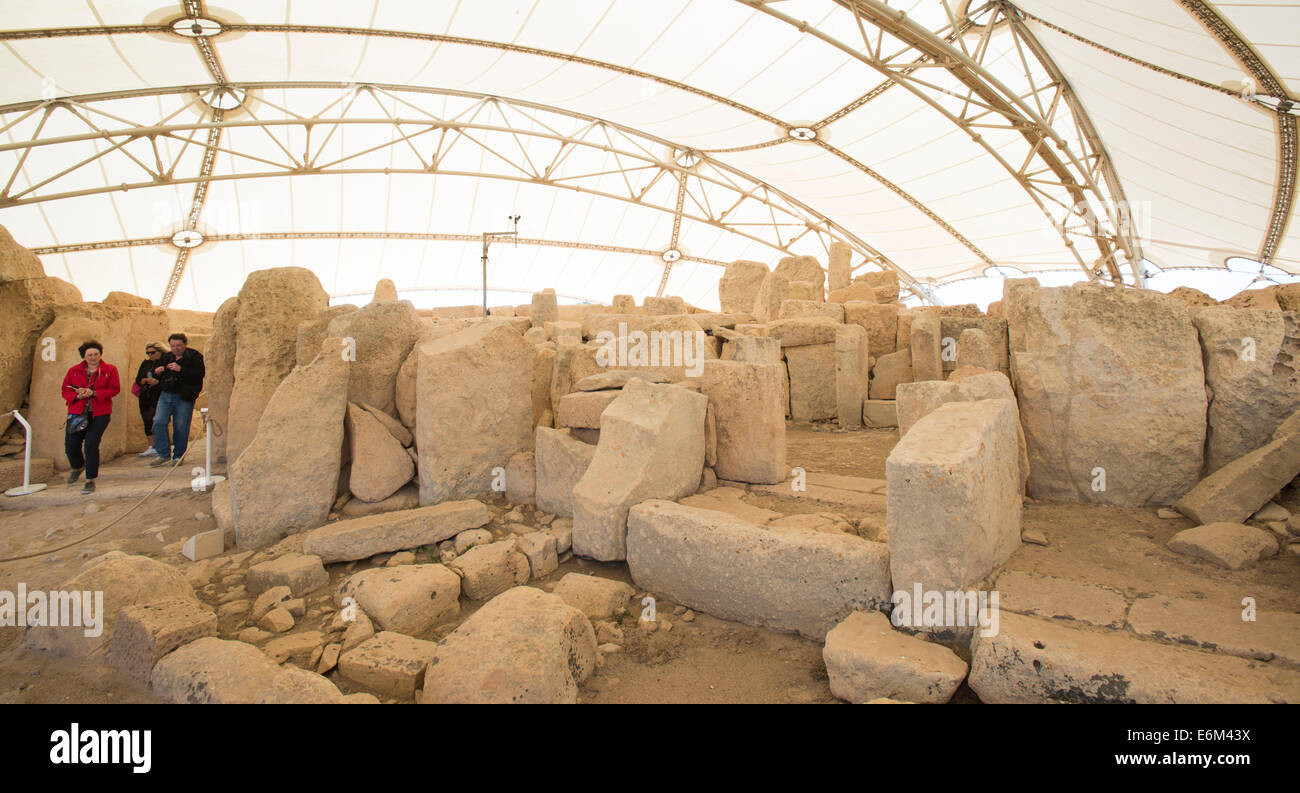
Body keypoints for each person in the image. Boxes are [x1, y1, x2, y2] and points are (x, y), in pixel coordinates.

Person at [62, 340, 120, 495]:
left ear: (100, 354)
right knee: (71, 446)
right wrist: (77, 394)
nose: (93, 357)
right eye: (90, 355)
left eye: (96, 354)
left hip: (100, 413)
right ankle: (77, 467)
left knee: (91, 445)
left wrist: (95, 393)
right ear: (84, 356)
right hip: (77, 412)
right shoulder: (74, 370)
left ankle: (90, 479)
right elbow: (65, 389)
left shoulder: (109, 369)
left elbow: (114, 389)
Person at [150, 332, 205, 467]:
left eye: (178, 345)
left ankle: (178, 456)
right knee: (158, 421)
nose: (175, 348)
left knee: (180, 426)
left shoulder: (194, 356)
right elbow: (155, 371)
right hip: (166, 394)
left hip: (184, 395)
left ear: (185, 344)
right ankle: (163, 454)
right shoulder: (167, 356)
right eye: (173, 345)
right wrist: (158, 370)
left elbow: (199, 374)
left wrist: (181, 369)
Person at [135, 342, 164, 457]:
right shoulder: (145, 363)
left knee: (158, 421)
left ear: (160, 352)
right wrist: (143, 380)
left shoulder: (164, 363)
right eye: (148, 353)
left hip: (159, 395)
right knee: (147, 420)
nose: (150, 355)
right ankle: (151, 447)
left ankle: (161, 446)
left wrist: (157, 382)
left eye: (152, 352)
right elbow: (138, 379)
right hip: (145, 395)